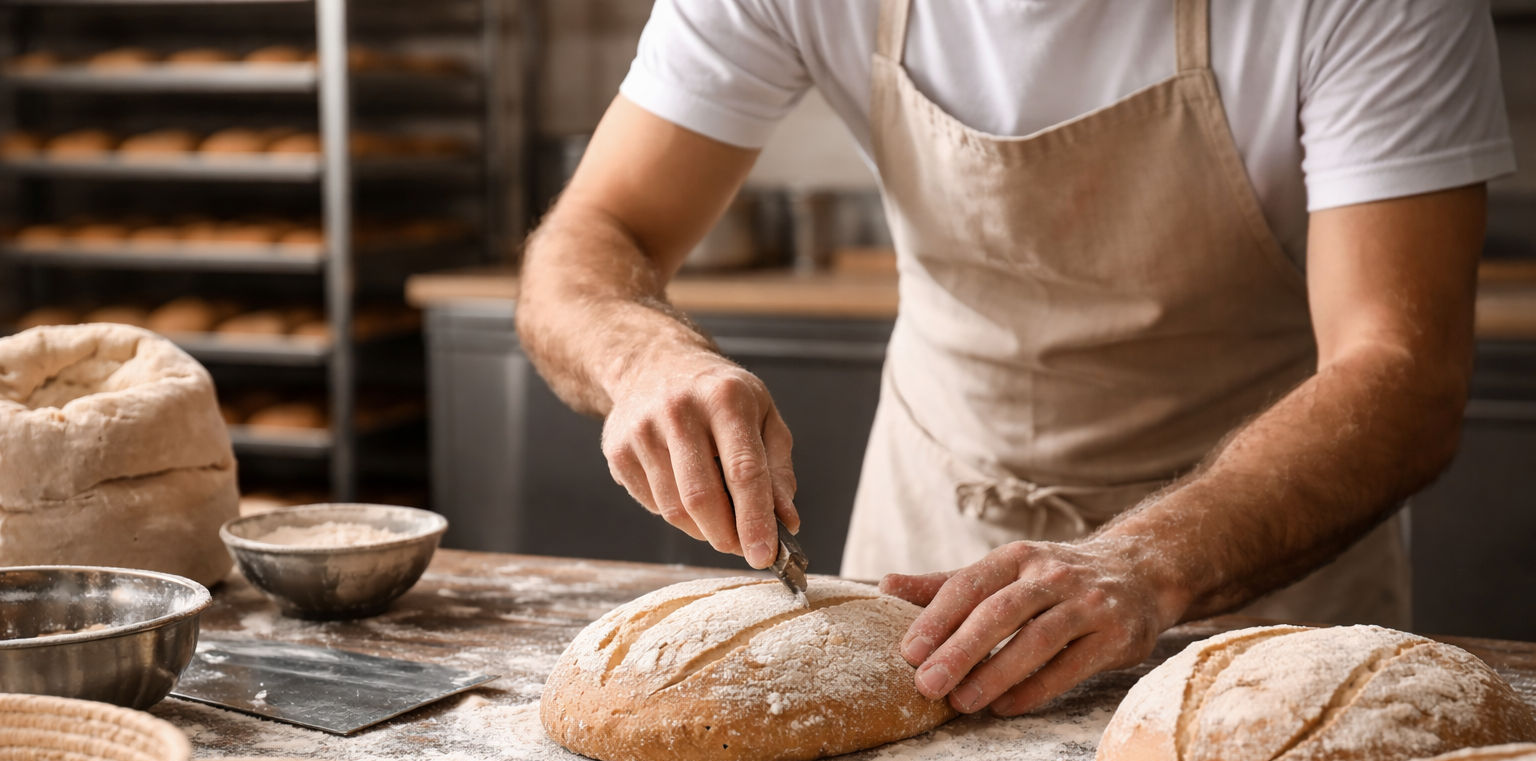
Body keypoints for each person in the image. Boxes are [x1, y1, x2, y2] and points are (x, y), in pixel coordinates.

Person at [515, 0, 1510, 718]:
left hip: (1255, 594)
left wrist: (1147, 561)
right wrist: (642, 354)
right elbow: (592, 238)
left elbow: (1402, 372)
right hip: (929, 556)